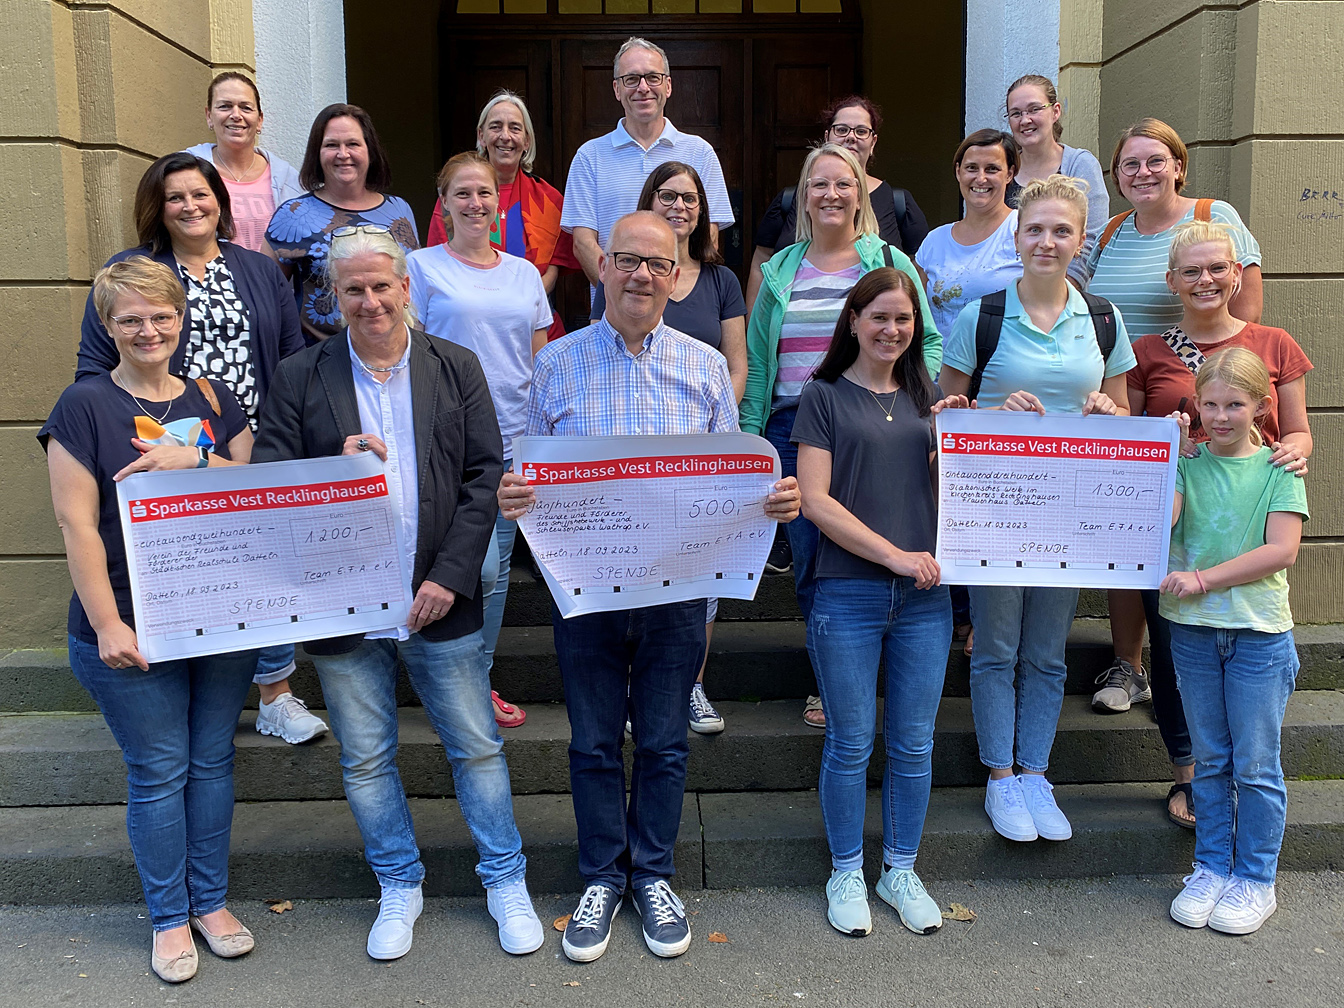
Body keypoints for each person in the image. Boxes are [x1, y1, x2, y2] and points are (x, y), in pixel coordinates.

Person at [498, 212, 801, 964]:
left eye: (657, 264)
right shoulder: (556, 363)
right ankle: (603, 877)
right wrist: (516, 493)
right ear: (602, 267)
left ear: (675, 277)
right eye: (628, 259)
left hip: (676, 592)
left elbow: (729, 475)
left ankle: (655, 875)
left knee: (664, 743)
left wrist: (767, 499)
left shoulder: (705, 366)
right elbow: (528, 470)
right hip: (588, 593)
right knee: (594, 743)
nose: (641, 275)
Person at [251, 227, 543, 961]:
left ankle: (505, 879)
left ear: (406, 288)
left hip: (439, 593)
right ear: (335, 294)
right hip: (343, 600)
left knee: (476, 748)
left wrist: (450, 574)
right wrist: (332, 464)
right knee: (365, 758)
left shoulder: (456, 365)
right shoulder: (299, 375)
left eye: (382, 285)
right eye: (353, 289)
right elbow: (271, 480)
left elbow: (484, 475)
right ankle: (398, 883)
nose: (370, 301)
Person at [41, 258, 257, 984]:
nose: (148, 330)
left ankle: (211, 903)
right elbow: (76, 525)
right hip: (131, 620)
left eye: (162, 315)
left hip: (219, 615)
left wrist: (193, 460)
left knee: (212, 762)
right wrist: (107, 624)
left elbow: (255, 488)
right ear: (108, 326)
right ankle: (169, 916)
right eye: (130, 319)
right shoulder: (84, 405)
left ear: (180, 319)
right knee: (160, 770)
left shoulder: (214, 397)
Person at [74, 151, 323, 746]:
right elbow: (94, 365)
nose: (190, 206)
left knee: (258, 560)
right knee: (189, 566)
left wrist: (293, 433)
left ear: (220, 201)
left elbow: (291, 358)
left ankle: (275, 693)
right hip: (161, 444)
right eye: (175, 197)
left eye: (200, 194)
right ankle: (175, 687)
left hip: (250, 438)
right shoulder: (132, 270)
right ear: (157, 208)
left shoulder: (258, 269)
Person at [935, 175, 1136, 843]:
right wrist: (995, 411)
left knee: (1048, 652)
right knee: (995, 647)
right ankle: (1000, 776)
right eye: (1035, 230)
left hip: (1068, 514)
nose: (1047, 241)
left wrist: (1107, 411)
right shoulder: (983, 316)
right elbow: (947, 416)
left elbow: (1123, 413)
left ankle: (1035, 774)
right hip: (997, 511)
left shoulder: (1103, 319)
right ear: (1016, 238)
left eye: (1061, 231)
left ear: (1080, 241)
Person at [741, 142, 941, 728]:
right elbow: (759, 361)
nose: (831, 194)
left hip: (878, 421)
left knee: (889, 541)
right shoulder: (779, 269)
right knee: (814, 560)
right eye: (819, 184)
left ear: (860, 195)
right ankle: (832, 680)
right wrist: (752, 442)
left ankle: (890, 668)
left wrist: (912, 400)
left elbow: (926, 341)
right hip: (791, 428)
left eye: (843, 184)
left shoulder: (889, 261)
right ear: (804, 197)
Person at [1126, 221, 1311, 828]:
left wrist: (1295, 454)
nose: (1205, 279)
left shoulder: (1275, 343)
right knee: (1176, 653)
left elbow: (1298, 431)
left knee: (1248, 667)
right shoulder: (1147, 351)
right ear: (1171, 280)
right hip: (1180, 529)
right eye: (1191, 270)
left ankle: (1244, 790)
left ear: (1237, 274)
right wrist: (1165, 451)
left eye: (1217, 268)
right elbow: (1127, 443)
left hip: (1253, 517)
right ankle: (1190, 776)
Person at [1086, 117, 1264, 727]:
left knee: (1197, 537)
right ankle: (1128, 664)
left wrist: (1220, 398)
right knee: (1130, 534)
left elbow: (1246, 321)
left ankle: (1208, 663)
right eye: (1129, 164)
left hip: (1202, 401)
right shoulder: (1111, 231)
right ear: (1117, 175)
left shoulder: (1214, 217)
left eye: (1155, 160)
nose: (1143, 173)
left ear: (1179, 166)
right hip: (1127, 397)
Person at [792, 267, 950, 938]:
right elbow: (815, 500)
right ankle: (847, 870)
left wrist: (972, 438)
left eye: (903, 319)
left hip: (925, 598)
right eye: (879, 316)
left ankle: (901, 869)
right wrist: (892, 556)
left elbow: (956, 490)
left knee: (914, 744)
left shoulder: (929, 397)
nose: (891, 329)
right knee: (851, 741)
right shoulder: (822, 395)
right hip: (847, 592)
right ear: (853, 321)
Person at [588, 162, 748, 733]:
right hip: (625, 459)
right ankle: (638, 686)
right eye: (668, 195)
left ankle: (691, 685)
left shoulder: (720, 280)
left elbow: (734, 364)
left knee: (697, 576)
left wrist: (708, 439)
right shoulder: (620, 277)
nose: (680, 206)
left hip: (695, 447)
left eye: (690, 197)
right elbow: (601, 356)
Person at [1163, 347, 1307, 936]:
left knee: (1256, 763)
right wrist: (1165, 455)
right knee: (1211, 759)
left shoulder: (1279, 468)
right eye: (1210, 405)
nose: (1220, 417)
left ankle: (1255, 878)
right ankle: (1211, 867)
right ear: (1196, 405)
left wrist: (1203, 579)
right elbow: (1163, 520)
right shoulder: (1186, 463)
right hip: (1193, 633)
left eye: (1235, 405)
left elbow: (1282, 549)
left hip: (1258, 633)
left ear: (1261, 407)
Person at [407, 152, 553, 730]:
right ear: (443, 204)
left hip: (514, 441)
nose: (475, 203)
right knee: (477, 567)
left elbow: (540, 359)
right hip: (447, 447)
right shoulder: (420, 267)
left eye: (485, 193)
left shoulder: (523, 273)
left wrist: (543, 439)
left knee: (495, 577)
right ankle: (449, 680)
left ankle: (477, 681)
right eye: (462, 193)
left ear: (499, 203)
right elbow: (409, 356)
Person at [916, 128, 1024, 652]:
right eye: (971, 168)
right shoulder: (935, 240)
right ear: (958, 173)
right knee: (950, 498)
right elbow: (918, 313)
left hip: (1004, 383)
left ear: (1011, 174)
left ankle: (988, 615)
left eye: (993, 168)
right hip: (943, 384)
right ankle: (957, 611)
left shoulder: (1023, 230)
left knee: (997, 500)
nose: (981, 178)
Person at [560, 36, 734, 297]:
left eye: (653, 77)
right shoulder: (589, 157)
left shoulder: (700, 153)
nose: (643, 87)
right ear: (617, 89)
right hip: (614, 309)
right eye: (631, 79)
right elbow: (583, 243)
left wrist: (672, 299)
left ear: (668, 86)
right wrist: (621, 298)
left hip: (681, 305)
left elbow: (708, 236)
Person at [747, 95, 930, 310]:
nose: (851, 137)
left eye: (861, 131)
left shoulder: (898, 203)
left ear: (873, 142)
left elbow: (918, 270)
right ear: (827, 137)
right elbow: (762, 262)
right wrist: (755, 323)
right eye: (842, 129)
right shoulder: (790, 200)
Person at [425, 90, 579, 340]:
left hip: (534, 324)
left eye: (515, 128)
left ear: (526, 141)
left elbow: (553, 271)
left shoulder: (550, 199)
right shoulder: (457, 201)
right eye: (495, 126)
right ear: (481, 136)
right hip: (470, 326)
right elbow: (439, 264)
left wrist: (518, 307)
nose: (505, 136)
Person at [265, 103, 420, 342]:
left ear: (370, 150)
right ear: (317, 153)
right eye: (331, 145)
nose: (343, 154)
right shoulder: (293, 214)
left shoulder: (399, 210)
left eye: (353, 144)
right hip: (320, 355)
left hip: (395, 350)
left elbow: (413, 285)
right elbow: (265, 296)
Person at [1000, 74, 1107, 281]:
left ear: (1055, 111)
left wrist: (1063, 291)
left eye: (1034, 109)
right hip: (1007, 289)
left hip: (1062, 290)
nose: (1025, 120)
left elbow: (1092, 241)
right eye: (1016, 113)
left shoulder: (1079, 164)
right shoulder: (1004, 169)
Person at [184, 72, 303, 253]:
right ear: (209, 116)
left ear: (260, 120)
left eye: (246, 108)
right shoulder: (185, 171)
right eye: (225, 106)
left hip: (272, 272)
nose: (236, 115)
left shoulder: (289, 180)